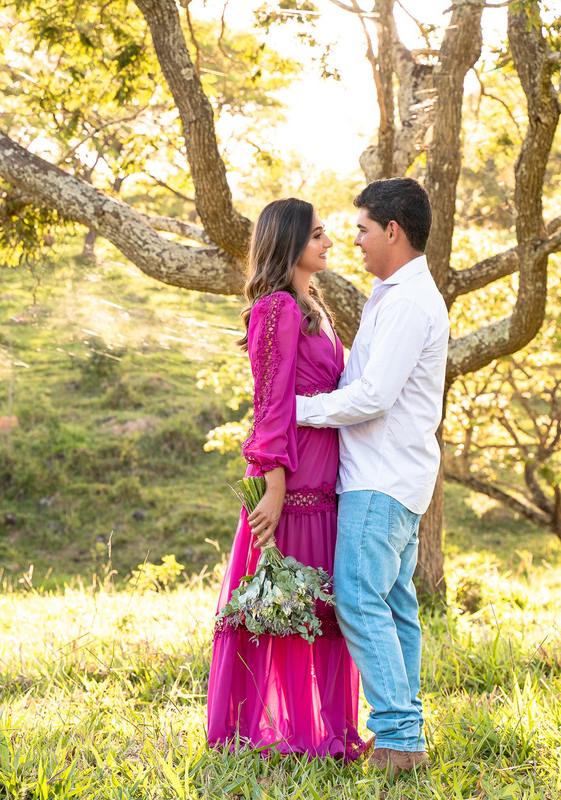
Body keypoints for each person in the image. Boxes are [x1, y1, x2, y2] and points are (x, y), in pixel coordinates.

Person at [295, 177, 448, 777]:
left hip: (381, 479)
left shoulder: (407, 301)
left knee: (359, 599)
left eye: (361, 229)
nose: (352, 240)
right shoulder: (395, 294)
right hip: (396, 475)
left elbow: (375, 396)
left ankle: (399, 739)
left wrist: (295, 410)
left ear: (393, 230)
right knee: (394, 606)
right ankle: (404, 731)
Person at [205, 197, 364, 761]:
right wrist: (273, 482)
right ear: (290, 242)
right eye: (317, 234)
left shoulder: (312, 305)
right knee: (284, 604)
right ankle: (282, 735)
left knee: (318, 607)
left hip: (324, 482)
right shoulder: (277, 307)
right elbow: (269, 401)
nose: (328, 242)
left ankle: (323, 730)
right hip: (289, 482)